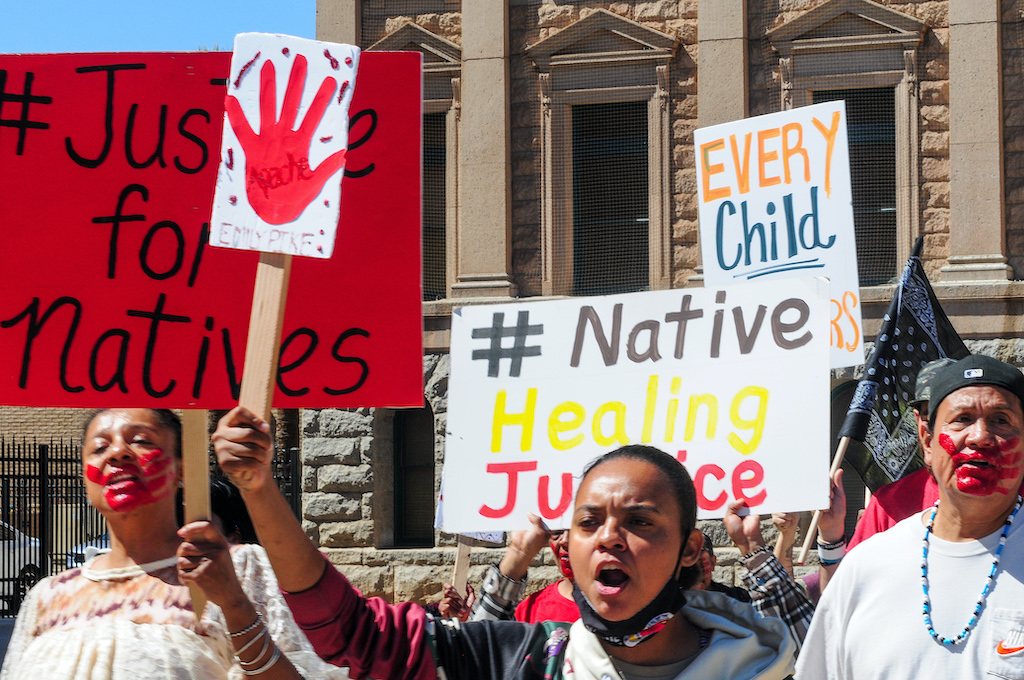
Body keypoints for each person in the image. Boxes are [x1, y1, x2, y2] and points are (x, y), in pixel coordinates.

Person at [213, 407, 796, 680]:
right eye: (589, 522)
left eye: (640, 522)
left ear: (692, 550)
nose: (609, 538)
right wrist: (260, 491)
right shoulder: (523, 661)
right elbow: (351, 634)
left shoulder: (779, 663)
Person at [0, 408, 345, 680]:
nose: (118, 453)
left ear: (183, 469)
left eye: (141, 440)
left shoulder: (238, 567)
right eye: (100, 447)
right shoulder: (46, 597)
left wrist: (234, 604)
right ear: (84, 480)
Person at [796, 354, 1024, 677]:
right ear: (927, 439)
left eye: (1001, 419)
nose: (980, 437)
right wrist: (830, 540)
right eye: (962, 418)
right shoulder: (865, 567)